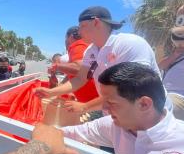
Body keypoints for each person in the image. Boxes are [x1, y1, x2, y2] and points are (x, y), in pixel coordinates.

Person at [63, 62, 184, 154]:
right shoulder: (114, 125)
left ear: (144, 104)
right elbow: (69, 133)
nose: (104, 108)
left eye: (111, 103)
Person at [35, 6, 172, 113]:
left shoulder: (129, 44)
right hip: (116, 114)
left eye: (82, 26)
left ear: (96, 22)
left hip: (150, 117)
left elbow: (130, 90)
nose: (79, 32)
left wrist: (85, 106)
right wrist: (51, 92)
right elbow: (80, 78)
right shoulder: (91, 51)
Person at [159, 0, 184, 124]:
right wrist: (175, 55)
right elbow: (161, 66)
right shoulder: (178, 54)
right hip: (164, 93)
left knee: (157, 112)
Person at [48, 26, 98, 103]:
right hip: (93, 102)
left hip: (94, 104)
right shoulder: (86, 46)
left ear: (70, 37)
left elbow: (80, 69)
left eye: (65, 38)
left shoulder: (78, 45)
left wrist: (56, 67)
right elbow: (72, 75)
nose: (65, 42)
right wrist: (58, 87)